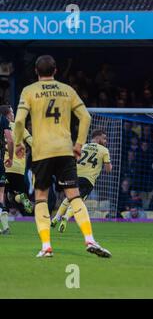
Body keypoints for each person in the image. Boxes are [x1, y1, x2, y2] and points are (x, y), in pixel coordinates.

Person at [14, 55, 111, 258]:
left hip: (42, 151)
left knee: (40, 198)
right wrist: (79, 144)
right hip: (65, 150)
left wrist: (17, 145)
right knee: (74, 196)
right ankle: (90, 239)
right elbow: (86, 117)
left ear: (36, 71)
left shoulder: (29, 91)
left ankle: (47, 246)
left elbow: (20, 121)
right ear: (56, 71)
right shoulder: (67, 90)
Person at [51, 129, 112, 233]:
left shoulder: (82, 146)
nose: (105, 141)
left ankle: (56, 217)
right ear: (97, 138)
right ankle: (66, 217)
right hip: (88, 180)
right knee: (78, 200)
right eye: (104, 138)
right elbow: (108, 169)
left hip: (75, 176)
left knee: (69, 197)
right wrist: (109, 164)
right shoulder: (104, 150)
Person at [0, 105, 33, 219]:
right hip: (18, 168)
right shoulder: (21, 128)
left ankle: (4, 226)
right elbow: (32, 142)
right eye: (12, 112)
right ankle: (22, 197)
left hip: (5, 165)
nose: (13, 114)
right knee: (13, 195)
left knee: (3, 196)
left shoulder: (2, 128)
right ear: (7, 114)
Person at [0, 105, 13, 234]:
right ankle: (5, 227)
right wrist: (11, 157)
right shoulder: (2, 119)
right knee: (1, 193)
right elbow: (10, 140)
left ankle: (4, 227)